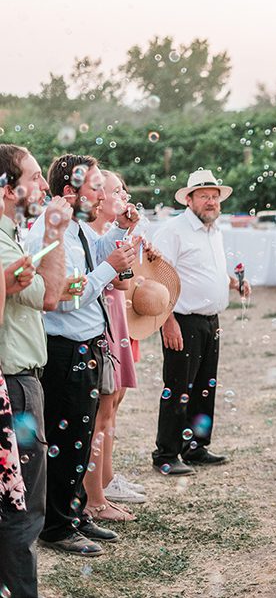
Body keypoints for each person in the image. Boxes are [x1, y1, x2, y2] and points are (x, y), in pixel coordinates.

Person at [25, 154, 138, 553]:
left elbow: (99, 249)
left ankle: (75, 513)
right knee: (66, 435)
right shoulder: (49, 233)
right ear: (70, 192)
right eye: (95, 187)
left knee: (80, 437)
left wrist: (121, 232)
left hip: (87, 345)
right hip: (63, 350)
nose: (104, 193)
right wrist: (110, 267)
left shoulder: (76, 228)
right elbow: (66, 297)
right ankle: (56, 527)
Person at [0, 146, 77, 585]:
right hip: (13, 387)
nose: (44, 186)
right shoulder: (0, 241)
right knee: (22, 506)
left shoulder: (9, 237)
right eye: (33, 176)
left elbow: (55, 289)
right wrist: (56, 230)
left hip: (19, 381)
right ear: (8, 189)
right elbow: (51, 295)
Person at [151, 169, 249, 476]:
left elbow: (208, 271)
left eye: (214, 196)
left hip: (210, 321)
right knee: (179, 387)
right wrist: (167, 321)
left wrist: (233, 283)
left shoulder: (213, 229)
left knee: (205, 386)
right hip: (182, 320)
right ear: (189, 199)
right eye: (204, 196)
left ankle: (195, 446)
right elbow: (157, 278)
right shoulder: (174, 230)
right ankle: (166, 453)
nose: (210, 202)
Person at [82, 170, 147, 522]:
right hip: (100, 321)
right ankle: (96, 491)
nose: (123, 195)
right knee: (101, 411)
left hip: (113, 320)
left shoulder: (111, 235)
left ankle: (104, 481)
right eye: (115, 190)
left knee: (112, 406)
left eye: (124, 188)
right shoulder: (92, 236)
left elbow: (124, 281)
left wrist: (131, 246)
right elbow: (118, 284)